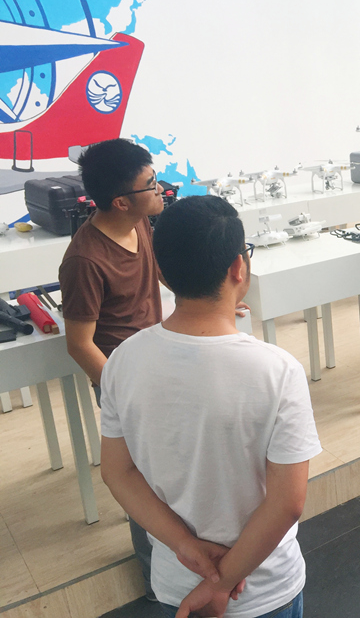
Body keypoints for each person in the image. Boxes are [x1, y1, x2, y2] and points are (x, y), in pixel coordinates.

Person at [100, 195, 321, 618]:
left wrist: (186, 547)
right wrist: (220, 583)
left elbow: (118, 472)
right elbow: (287, 503)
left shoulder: (122, 360)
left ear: (161, 273)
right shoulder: (277, 370)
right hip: (262, 586)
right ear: (239, 268)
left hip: (177, 580)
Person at [58, 138, 164, 599]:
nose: (160, 189)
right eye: (151, 183)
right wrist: (120, 392)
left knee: (166, 470)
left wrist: (209, 298)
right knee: (141, 481)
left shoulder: (139, 222)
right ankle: (156, 582)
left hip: (157, 363)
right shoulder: (84, 260)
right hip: (123, 381)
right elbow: (79, 344)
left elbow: (159, 272)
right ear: (121, 200)